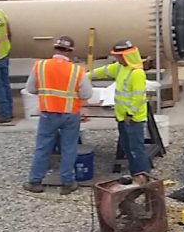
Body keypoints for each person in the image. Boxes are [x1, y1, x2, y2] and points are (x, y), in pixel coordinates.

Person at [27, 35, 89, 194]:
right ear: (70, 52)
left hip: (48, 113)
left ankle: (35, 181)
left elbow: (31, 89)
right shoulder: (77, 70)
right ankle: (67, 183)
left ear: (55, 48)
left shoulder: (40, 66)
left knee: (43, 147)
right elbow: (86, 93)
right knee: (69, 148)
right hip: (70, 114)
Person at [89, 40, 152, 178]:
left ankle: (143, 176)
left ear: (126, 56)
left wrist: (130, 114)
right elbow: (103, 71)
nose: (116, 58)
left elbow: (138, 97)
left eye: (118, 56)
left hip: (133, 118)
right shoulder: (119, 67)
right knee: (128, 148)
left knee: (136, 148)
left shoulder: (137, 73)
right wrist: (84, 76)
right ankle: (136, 174)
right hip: (122, 117)